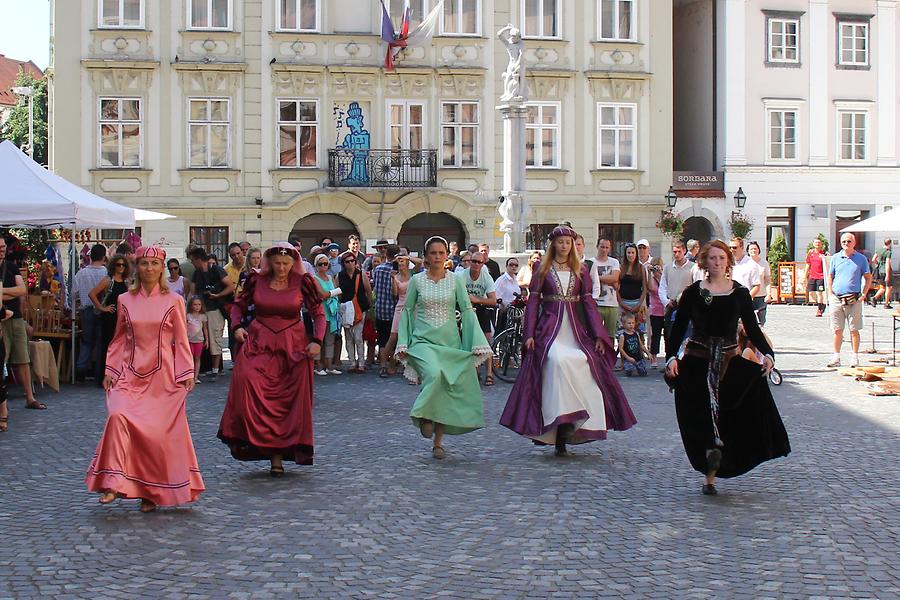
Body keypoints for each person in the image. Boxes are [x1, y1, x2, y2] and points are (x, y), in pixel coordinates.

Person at [665, 240, 790, 496]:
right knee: (700, 416)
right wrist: (670, 358)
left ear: (728, 262)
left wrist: (767, 353)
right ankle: (709, 474)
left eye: (722, 258)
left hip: (730, 362)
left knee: (730, 416)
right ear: (704, 262)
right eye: (712, 258)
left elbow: (752, 328)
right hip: (698, 362)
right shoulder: (693, 293)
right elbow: (677, 331)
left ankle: (718, 460)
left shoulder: (740, 293)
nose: (718, 263)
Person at [86, 246, 204, 513]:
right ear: (136, 267)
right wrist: (111, 371)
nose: (148, 268)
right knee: (118, 416)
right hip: (129, 374)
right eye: (143, 263)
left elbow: (182, 339)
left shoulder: (174, 300)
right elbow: (118, 339)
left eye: (153, 263)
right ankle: (113, 481)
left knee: (156, 434)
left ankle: (151, 492)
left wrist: (185, 373)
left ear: (161, 267)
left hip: (163, 377)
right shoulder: (125, 299)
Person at [500, 226, 636, 456]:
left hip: (575, 331)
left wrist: (598, 336)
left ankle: (575, 422)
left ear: (573, 245)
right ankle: (557, 421)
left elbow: (589, 306)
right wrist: (530, 334)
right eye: (560, 242)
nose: (564, 246)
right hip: (549, 330)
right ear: (553, 244)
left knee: (584, 361)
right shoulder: (542, 270)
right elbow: (533, 303)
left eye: (567, 242)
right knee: (556, 361)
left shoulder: (581, 270)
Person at [218, 243, 325, 476]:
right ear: (269, 261)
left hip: (293, 347)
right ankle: (254, 439)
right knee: (246, 379)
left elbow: (318, 312)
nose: (282, 267)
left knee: (288, 401)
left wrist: (316, 340)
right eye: (277, 263)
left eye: (286, 263)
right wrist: (236, 327)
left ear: (293, 263)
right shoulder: (256, 280)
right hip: (259, 342)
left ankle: (278, 456)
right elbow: (238, 306)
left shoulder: (303, 282)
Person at [395, 237, 491, 459]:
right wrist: (403, 342)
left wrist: (474, 342)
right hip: (423, 342)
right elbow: (407, 311)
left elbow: (467, 310)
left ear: (447, 255)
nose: (437, 257)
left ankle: (438, 442)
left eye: (441, 253)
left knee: (447, 387)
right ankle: (423, 416)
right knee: (435, 375)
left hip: (450, 343)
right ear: (426, 256)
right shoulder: (417, 281)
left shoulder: (456, 281)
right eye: (433, 253)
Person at [0, 236, 42, 410]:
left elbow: (22, 290)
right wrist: (11, 293)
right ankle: (3, 406)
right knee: (1, 360)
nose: (2, 249)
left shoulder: (11, 266)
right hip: (1, 319)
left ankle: (30, 398)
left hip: (15, 318)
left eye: (3, 246)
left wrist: (1, 291)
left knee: (22, 358)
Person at [188, 247, 234, 380]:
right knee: (199, 338)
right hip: (202, 309)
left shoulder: (216, 269)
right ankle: (203, 368)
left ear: (198, 259)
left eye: (192, 260)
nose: (192, 263)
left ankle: (215, 369)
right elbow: (192, 291)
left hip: (215, 308)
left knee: (215, 338)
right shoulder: (197, 273)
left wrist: (217, 295)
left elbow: (230, 286)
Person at [826, 233, 872, 368]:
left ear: (854, 243)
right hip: (837, 297)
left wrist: (864, 294)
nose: (846, 243)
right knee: (837, 329)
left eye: (849, 241)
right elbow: (830, 276)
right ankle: (836, 356)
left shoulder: (861, 259)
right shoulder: (835, 258)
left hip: (854, 298)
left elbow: (868, 277)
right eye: (844, 241)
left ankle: (854, 357)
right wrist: (830, 292)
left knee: (854, 329)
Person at [89, 254, 131, 385]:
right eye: (118, 265)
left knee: (123, 346)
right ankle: (104, 376)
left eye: (123, 265)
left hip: (123, 318)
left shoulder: (127, 281)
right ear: (114, 266)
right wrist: (102, 308)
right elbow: (92, 294)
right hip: (110, 317)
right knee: (108, 346)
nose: (121, 267)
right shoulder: (108, 280)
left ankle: (119, 375)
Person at [73, 244, 109, 379]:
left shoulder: (81, 273)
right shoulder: (106, 273)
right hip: (102, 310)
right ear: (104, 257)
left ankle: (81, 367)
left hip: (86, 310)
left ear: (90, 256)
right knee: (101, 341)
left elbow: (74, 293)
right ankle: (99, 371)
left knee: (87, 341)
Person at [464, 251, 498, 386]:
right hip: (466, 309)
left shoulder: (486, 277)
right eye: (473, 261)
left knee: (486, 340)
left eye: (479, 262)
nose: (476, 264)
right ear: (469, 262)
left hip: (481, 308)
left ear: (483, 264)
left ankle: (489, 373)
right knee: (470, 341)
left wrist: (476, 299)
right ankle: (475, 371)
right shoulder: (462, 275)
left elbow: (493, 300)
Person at [338, 250, 372, 373]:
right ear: (343, 263)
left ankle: (361, 363)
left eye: (352, 261)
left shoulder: (361, 274)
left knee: (358, 336)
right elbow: (338, 293)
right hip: (346, 310)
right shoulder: (340, 276)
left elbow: (368, 291)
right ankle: (352, 362)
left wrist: (369, 307)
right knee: (348, 337)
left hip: (360, 308)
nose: (350, 263)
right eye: (347, 261)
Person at [659, 240, 696, 353]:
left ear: (684, 251)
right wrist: (666, 302)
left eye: (679, 251)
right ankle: (669, 363)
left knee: (687, 335)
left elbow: (697, 286)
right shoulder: (668, 268)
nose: (677, 254)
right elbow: (662, 287)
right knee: (669, 336)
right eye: (674, 252)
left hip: (687, 307)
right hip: (671, 306)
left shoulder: (693, 267)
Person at [312, 253, 343, 375]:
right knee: (319, 339)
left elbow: (332, 293)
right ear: (316, 265)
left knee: (330, 340)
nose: (324, 266)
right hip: (320, 312)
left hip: (332, 312)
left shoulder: (330, 278)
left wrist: (331, 293)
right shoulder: (314, 278)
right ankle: (319, 366)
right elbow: (322, 294)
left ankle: (330, 365)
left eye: (326, 264)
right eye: (321, 264)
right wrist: (334, 292)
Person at [374, 245, 400, 377]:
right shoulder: (398, 271)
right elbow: (396, 293)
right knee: (394, 340)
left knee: (383, 339)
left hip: (380, 308)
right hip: (394, 309)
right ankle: (392, 365)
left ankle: (382, 366)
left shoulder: (378, 269)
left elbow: (376, 290)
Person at [589, 239, 620, 342]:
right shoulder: (590, 262)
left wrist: (596, 278)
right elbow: (588, 281)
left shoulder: (614, 262)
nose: (604, 250)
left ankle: (609, 357)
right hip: (596, 303)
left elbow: (615, 278)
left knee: (610, 335)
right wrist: (609, 279)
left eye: (607, 247)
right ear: (597, 246)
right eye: (602, 247)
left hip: (612, 303)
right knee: (595, 334)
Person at [618, 243, 648, 337]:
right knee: (622, 332)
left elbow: (645, 288)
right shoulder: (620, 267)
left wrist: (639, 305)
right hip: (623, 303)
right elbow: (616, 288)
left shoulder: (641, 268)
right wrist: (622, 304)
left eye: (633, 253)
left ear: (636, 254)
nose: (630, 255)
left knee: (639, 332)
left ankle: (639, 350)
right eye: (628, 253)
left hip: (637, 303)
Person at [646, 256, 666, 368]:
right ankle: (654, 358)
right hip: (655, 311)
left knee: (667, 336)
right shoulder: (652, 279)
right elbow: (651, 288)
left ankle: (668, 357)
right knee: (656, 335)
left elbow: (668, 287)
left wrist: (661, 272)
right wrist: (649, 273)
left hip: (665, 310)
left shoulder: (664, 277)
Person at [746, 241, 771, 325]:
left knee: (761, 322)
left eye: (755, 249)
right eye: (751, 249)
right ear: (748, 251)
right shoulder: (745, 263)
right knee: (748, 321)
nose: (753, 251)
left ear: (759, 250)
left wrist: (769, 294)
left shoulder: (764, 264)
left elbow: (767, 280)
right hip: (747, 296)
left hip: (761, 296)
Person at [494, 257, 521, 332]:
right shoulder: (501, 280)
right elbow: (495, 295)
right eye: (511, 265)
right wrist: (503, 305)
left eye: (516, 265)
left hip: (514, 312)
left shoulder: (516, 279)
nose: (514, 267)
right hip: (504, 312)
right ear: (506, 266)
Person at [186, 296, 209, 383]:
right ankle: (189, 376)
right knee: (190, 358)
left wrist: (207, 340)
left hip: (199, 340)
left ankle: (196, 377)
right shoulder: (188, 316)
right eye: (195, 304)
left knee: (197, 358)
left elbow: (205, 329)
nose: (197, 306)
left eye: (199, 304)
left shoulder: (203, 316)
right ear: (191, 306)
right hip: (189, 340)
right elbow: (184, 327)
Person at [806, 238, 829, 317]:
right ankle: (822, 304)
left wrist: (825, 258)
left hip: (821, 276)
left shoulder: (824, 254)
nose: (817, 244)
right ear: (813, 244)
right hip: (812, 276)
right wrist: (805, 275)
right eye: (816, 242)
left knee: (820, 293)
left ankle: (819, 309)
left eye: (819, 243)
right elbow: (808, 264)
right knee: (811, 293)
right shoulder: (811, 253)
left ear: (821, 244)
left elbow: (828, 264)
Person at [870, 238, 893, 309]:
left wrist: (878, 264)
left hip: (880, 271)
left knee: (882, 287)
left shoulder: (879, 250)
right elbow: (888, 264)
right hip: (886, 271)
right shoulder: (888, 252)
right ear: (890, 243)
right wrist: (888, 275)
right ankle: (886, 303)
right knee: (889, 287)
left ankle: (874, 298)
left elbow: (873, 259)